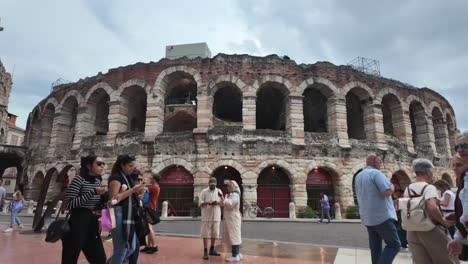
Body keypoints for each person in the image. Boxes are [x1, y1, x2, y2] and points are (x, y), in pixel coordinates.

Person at [403, 158, 458, 263]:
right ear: (428, 172)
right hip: (429, 228)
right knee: (447, 259)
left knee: (421, 261)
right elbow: (432, 207)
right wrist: (443, 221)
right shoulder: (429, 188)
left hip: (412, 229)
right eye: (431, 172)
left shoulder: (408, 188)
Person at [354, 153, 401, 264]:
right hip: (382, 216)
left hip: (367, 217)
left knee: (375, 248)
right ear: (375, 162)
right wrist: (393, 186)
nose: (381, 164)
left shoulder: (358, 175)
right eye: (380, 162)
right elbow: (387, 191)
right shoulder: (376, 173)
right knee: (394, 245)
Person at [61, 155, 107, 264]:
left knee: (99, 258)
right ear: (89, 166)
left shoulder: (97, 182)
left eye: (103, 164)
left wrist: (104, 204)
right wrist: (93, 192)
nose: (102, 166)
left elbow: (96, 203)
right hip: (78, 221)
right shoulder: (78, 180)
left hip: (92, 221)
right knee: (70, 257)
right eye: (99, 164)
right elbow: (68, 204)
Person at [107, 154, 147, 264]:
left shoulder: (127, 177)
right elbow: (113, 201)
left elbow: (127, 197)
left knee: (131, 247)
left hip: (127, 215)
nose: (133, 168)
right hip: (118, 213)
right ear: (122, 165)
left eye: (133, 166)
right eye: (130, 166)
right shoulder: (116, 178)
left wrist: (138, 196)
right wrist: (133, 190)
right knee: (121, 248)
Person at [218, 180, 242, 262]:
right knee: (234, 236)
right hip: (231, 218)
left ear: (233, 187)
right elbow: (224, 204)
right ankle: (237, 253)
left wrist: (223, 197)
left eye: (229, 186)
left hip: (233, 218)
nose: (227, 188)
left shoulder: (235, 195)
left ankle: (235, 255)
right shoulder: (231, 195)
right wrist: (223, 198)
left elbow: (230, 204)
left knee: (234, 236)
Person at [199, 177, 223, 260]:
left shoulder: (219, 191)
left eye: (214, 185)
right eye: (211, 185)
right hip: (206, 216)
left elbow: (223, 204)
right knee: (205, 234)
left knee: (215, 233)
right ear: (209, 184)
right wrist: (207, 203)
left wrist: (219, 200)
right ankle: (205, 251)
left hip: (216, 215)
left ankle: (212, 249)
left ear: (216, 184)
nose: (212, 186)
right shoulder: (204, 192)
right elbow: (200, 202)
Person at [140, 173, 160, 254]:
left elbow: (143, 190)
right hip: (152, 207)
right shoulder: (157, 187)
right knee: (149, 227)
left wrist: (143, 184)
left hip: (149, 208)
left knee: (149, 227)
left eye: (151, 178)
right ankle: (149, 246)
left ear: (154, 179)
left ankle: (154, 246)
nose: (150, 179)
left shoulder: (153, 187)